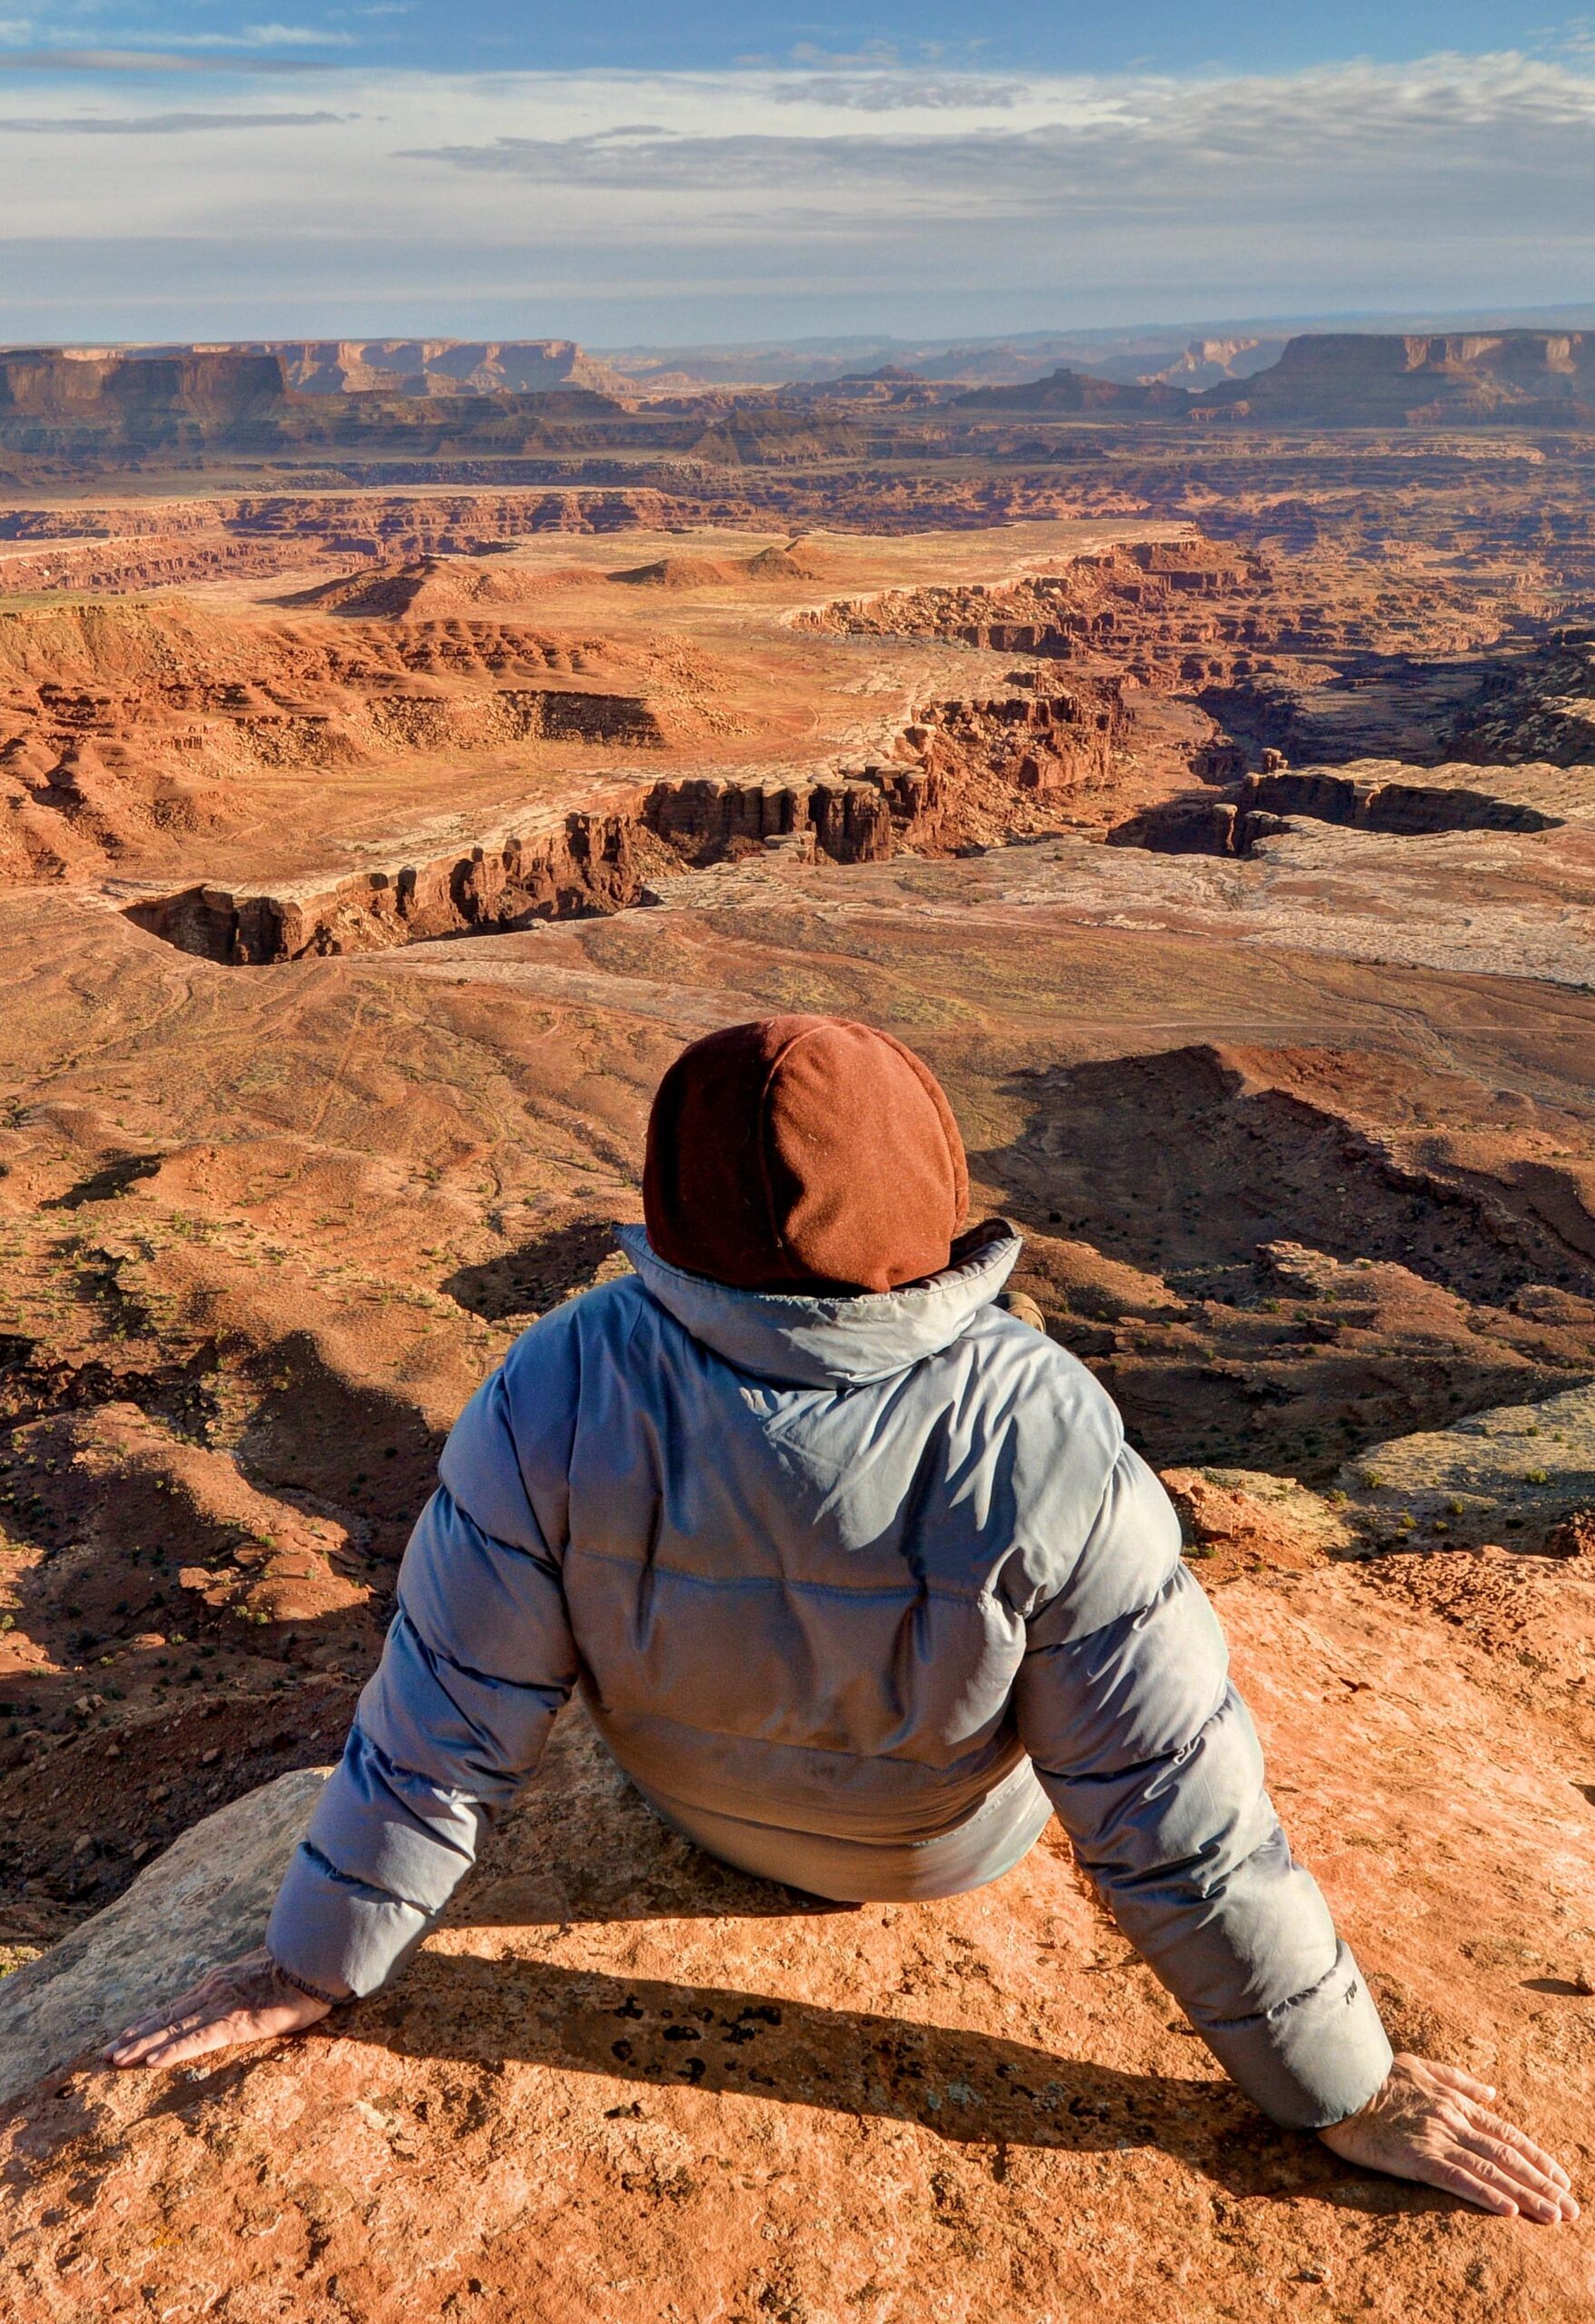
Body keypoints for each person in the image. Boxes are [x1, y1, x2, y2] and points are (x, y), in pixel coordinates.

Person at [109, 1015, 1576, 2224]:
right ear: (930, 1181)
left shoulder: (554, 1378)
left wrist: (311, 1965)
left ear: (669, 1193)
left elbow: (438, 1727)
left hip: (691, 1808)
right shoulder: (1044, 1423)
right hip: (940, 1853)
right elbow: (1172, 1823)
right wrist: (1346, 2089)